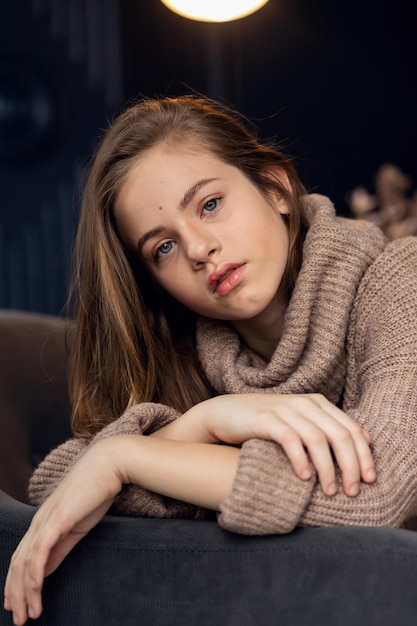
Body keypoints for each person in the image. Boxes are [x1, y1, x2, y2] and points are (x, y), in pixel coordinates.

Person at [4, 94, 417, 625]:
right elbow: (57, 489)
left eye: (210, 205)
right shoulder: (190, 358)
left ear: (276, 188)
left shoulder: (401, 280)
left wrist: (124, 459)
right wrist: (206, 421)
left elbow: (376, 498)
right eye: (164, 248)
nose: (198, 248)